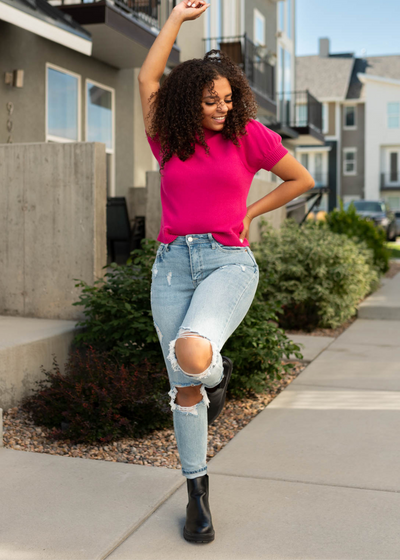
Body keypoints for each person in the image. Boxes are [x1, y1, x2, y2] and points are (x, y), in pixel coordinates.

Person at [138, 0, 314, 545]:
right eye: (210, 99)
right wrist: (174, 20)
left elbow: (299, 179)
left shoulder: (249, 136)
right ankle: (197, 495)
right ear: (189, 100)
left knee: (191, 357)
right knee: (183, 387)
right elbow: (147, 76)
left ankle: (217, 369)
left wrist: (250, 212)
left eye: (228, 98)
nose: (221, 107)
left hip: (227, 263)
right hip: (171, 266)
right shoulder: (168, 137)